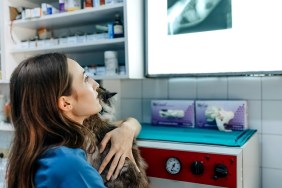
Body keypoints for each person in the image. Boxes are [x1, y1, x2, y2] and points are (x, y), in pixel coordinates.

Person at [6, 53, 141, 188]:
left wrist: (128, 128)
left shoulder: (40, 153)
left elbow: (128, 123)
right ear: (65, 104)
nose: (96, 84)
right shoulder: (70, 167)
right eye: (85, 78)